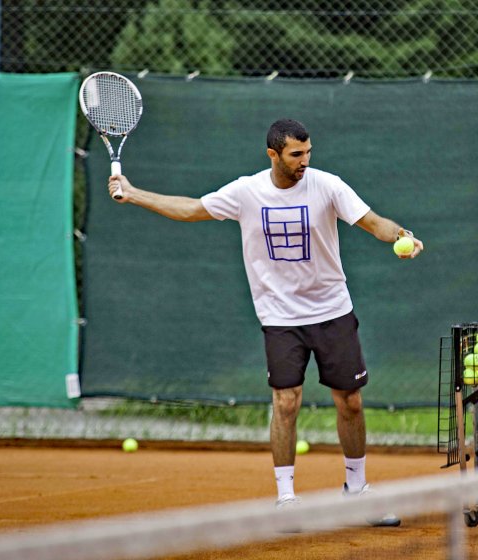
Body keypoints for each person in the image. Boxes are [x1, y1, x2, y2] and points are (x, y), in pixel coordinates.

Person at [107, 119, 423, 526]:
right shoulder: (246, 192)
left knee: (351, 401)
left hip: (332, 310)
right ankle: (286, 499)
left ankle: (357, 490)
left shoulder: (328, 185)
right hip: (280, 316)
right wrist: (134, 195)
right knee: (286, 401)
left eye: (308, 153)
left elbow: (373, 222)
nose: (304, 161)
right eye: (296, 155)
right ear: (273, 154)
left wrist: (403, 235)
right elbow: (190, 210)